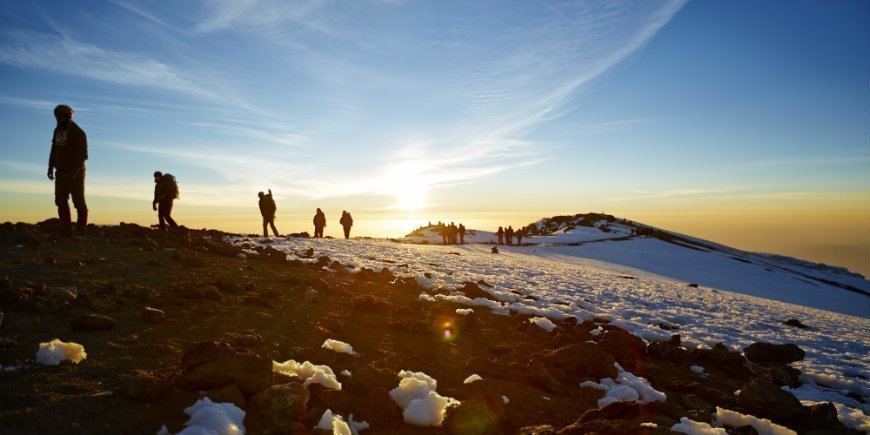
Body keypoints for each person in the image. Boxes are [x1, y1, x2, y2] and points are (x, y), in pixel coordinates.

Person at [47, 104, 88, 236]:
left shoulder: (78, 133)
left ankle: (81, 228)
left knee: (78, 202)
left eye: (60, 116)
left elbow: (82, 155)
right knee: (60, 200)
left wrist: (74, 172)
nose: (58, 119)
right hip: (60, 172)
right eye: (56, 116)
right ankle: (66, 228)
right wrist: (50, 166)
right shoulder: (57, 130)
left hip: (76, 174)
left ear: (67, 116)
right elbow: (54, 149)